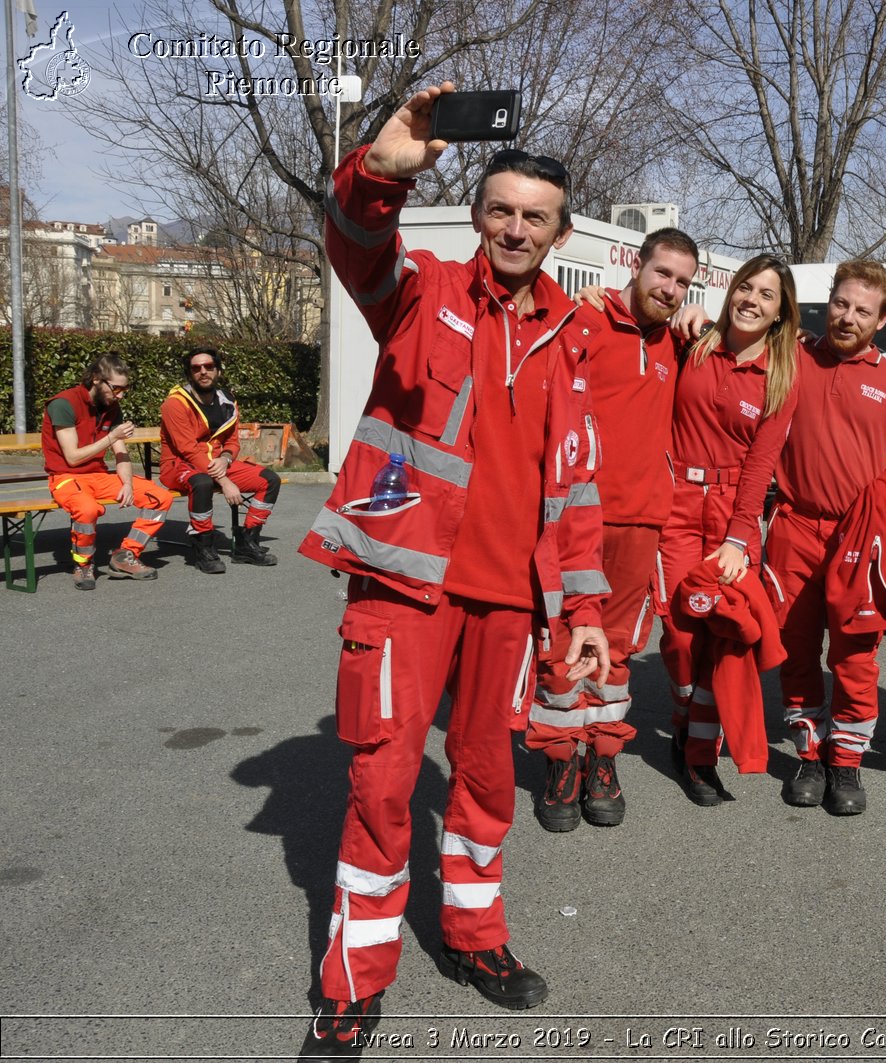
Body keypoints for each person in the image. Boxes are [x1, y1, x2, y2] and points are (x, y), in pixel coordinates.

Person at [298, 83, 609, 1050]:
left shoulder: (573, 332)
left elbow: (576, 482)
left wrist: (586, 605)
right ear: (480, 216)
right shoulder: (425, 289)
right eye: (503, 210)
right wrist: (384, 165)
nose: (517, 229)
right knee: (384, 785)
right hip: (404, 584)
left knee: (484, 782)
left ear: (559, 233)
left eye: (537, 217)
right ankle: (354, 978)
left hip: (513, 603)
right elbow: (356, 242)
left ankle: (476, 938)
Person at [522, 228, 700, 832]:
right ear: (638, 267)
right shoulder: (585, 320)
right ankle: (559, 763)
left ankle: (602, 760)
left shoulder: (679, 341)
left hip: (643, 520)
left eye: (682, 281)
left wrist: (701, 319)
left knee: (618, 649)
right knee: (563, 646)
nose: (671, 289)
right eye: (662, 274)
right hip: (577, 516)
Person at [766, 259, 886, 816]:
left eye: (862, 310)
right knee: (797, 647)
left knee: (855, 655)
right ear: (826, 302)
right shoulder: (792, 357)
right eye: (840, 303)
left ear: (882, 320)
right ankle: (809, 752)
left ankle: (847, 760)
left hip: (861, 539)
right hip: (795, 527)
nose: (847, 316)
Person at [660, 253, 799, 806]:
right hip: (672, 503)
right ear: (731, 290)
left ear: (779, 312)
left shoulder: (782, 374)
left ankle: (698, 757)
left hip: (731, 516)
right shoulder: (692, 341)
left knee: (723, 637)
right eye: (747, 287)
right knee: (679, 633)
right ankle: (681, 719)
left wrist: (739, 538)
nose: (753, 300)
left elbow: (761, 466)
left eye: (767, 295)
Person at [41, 353, 171, 589]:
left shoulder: (111, 405)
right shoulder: (63, 404)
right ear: (95, 379)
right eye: (115, 388)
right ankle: (83, 563)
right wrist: (112, 436)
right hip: (66, 476)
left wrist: (128, 484)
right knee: (87, 509)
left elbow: (120, 453)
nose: (120, 395)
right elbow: (72, 457)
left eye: (124, 389)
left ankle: (125, 555)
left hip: (99, 475)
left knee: (160, 497)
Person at [158, 345, 283, 573]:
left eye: (209, 366)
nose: (203, 372)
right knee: (202, 482)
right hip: (179, 466)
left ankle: (247, 542)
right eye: (196, 368)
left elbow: (232, 441)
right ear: (189, 374)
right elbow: (188, 451)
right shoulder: (175, 404)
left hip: (217, 463)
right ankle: (203, 545)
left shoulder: (227, 400)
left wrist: (225, 458)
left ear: (218, 371)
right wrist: (225, 482)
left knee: (270, 480)